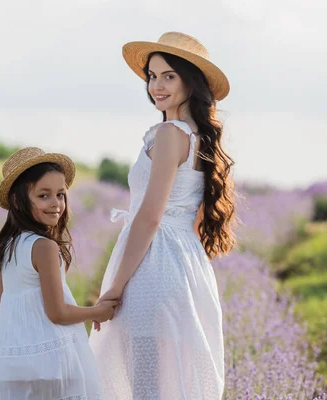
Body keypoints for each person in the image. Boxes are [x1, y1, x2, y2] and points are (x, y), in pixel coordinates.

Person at [89, 32, 237, 399]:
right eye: (152, 76)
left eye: (169, 75)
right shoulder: (197, 135)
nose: (157, 85)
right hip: (183, 262)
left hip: (154, 264)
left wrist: (113, 288)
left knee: (147, 383)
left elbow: (149, 217)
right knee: (168, 379)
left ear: (191, 80)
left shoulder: (171, 134)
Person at [0, 147, 117, 400]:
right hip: (50, 359)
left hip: (16, 359)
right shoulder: (44, 247)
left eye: (60, 195)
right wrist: (98, 312)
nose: (56, 204)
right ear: (18, 201)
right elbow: (57, 313)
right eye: (44, 195)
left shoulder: (8, 247)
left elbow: (0, 307)